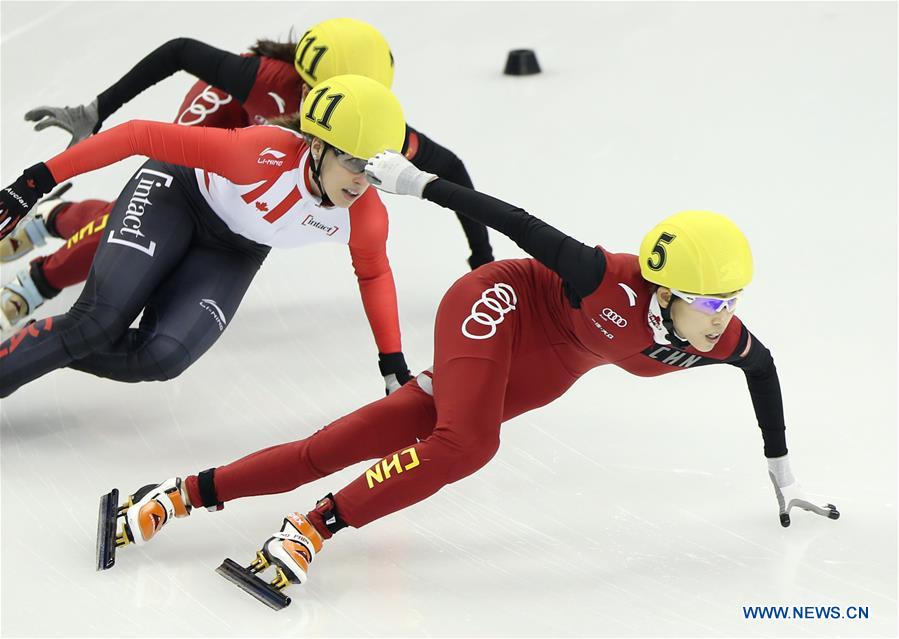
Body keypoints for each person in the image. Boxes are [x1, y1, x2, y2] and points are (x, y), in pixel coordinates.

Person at [94, 151, 838, 608]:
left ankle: (174, 496)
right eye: (710, 302)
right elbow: (511, 217)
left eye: (731, 302)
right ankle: (309, 530)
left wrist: (780, 469)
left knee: (357, 440)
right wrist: (417, 184)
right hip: (496, 304)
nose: (722, 320)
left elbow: (762, 368)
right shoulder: (595, 275)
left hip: (541, 368)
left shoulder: (717, 337)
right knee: (468, 442)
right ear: (662, 289)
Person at [0, 17, 493, 331]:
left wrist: (481, 255)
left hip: (268, 151)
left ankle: (53, 220)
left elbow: (450, 169)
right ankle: (34, 283)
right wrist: (97, 110)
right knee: (139, 218)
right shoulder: (265, 80)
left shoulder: (361, 125)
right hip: (225, 122)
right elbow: (179, 51)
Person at [0, 74, 414, 396]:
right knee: (97, 322)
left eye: (374, 170)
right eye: (354, 162)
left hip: (235, 250)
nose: (362, 181)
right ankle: (49, 344)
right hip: (178, 195)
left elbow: (374, 273)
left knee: (162, 358)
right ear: (318, 146)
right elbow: (137, 135)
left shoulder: (365, 217)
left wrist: (392, 360)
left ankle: (42, 343)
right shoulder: (258, 154)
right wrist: (33, 183)